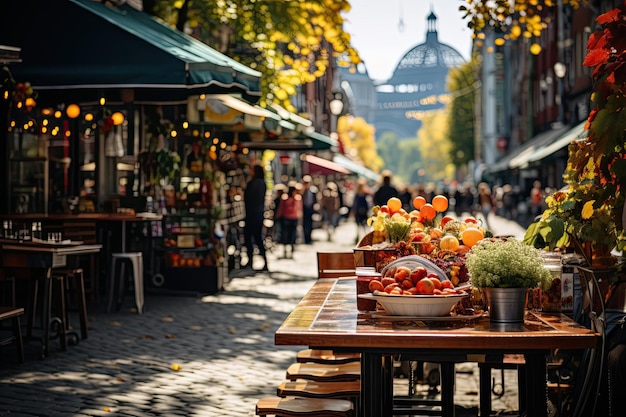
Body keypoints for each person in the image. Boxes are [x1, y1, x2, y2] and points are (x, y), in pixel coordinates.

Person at [243, 165, 268, 271]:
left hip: (253, 214)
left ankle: (255, 261)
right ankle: (256, 261)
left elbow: (251, 197)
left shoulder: (256, 183)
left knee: (254, 238)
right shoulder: (261, 183)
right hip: (256, 214)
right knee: (255, 238)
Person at [275, 185, 302, 259]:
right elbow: (281, 208)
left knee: (291, 234)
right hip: (287, 218)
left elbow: (299, 209)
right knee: (286, 234)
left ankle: (291, 249)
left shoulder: (296, 198)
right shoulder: (286, 198)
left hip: (292, 218)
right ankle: (286, 249)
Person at [351, 179, 371, 244]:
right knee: (360, 226)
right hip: (359, 212)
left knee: (363, 226)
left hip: (362, 212)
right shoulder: (360, 194)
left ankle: (365, 238)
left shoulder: (364, 194)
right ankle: (361, 238)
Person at [300, 175, 317, 244]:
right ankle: (305, 238)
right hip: (303, 210)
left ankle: (309, 238)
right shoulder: (301, 190)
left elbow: (315, 200)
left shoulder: (313, 190)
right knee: (304, 224)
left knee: (310, 224)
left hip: (310, 209)